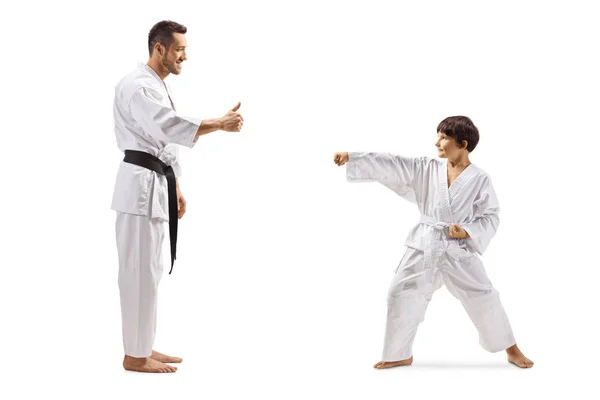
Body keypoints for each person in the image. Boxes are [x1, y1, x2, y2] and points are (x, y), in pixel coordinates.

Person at [333, 116, 534, 369]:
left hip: (457, 248)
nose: (437, 142)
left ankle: (512, 349)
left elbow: (490, 215)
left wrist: (467, 231)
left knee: (484, 296)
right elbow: (394, 163)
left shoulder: (480, 178)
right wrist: (354, 157)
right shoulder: (427, 168)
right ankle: (399, 353)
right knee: (400, 293)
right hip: (424, 243)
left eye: (443, 138)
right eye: (438, 135)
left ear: (462, 143)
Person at [111, 20, 244, 373]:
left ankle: (142, 347)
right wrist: (218, 123)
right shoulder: (139, 87)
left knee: (149, 271)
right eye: (179, 49)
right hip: (138, 188)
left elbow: (162, 142)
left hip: (154, 184)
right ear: (160, 49)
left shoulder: (153, 86)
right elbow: (166, 126)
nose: (185, 56)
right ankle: (134, 356)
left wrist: (177, 187)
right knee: (136, 273)